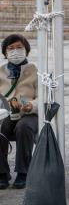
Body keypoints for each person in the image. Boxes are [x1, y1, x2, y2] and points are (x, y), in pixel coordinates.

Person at [0, 34, 38, 189]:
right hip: (6, 113)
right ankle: (2, 173)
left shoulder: (35, 70)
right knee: (1, 129)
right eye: (11, 48)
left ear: (26, 50)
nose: (15, 51)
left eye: (19, 47)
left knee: (24, 127)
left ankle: (23, 172)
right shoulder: (0, 71)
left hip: (29, 114)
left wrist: (31, 105)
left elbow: (43, 97)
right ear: (5, 53)